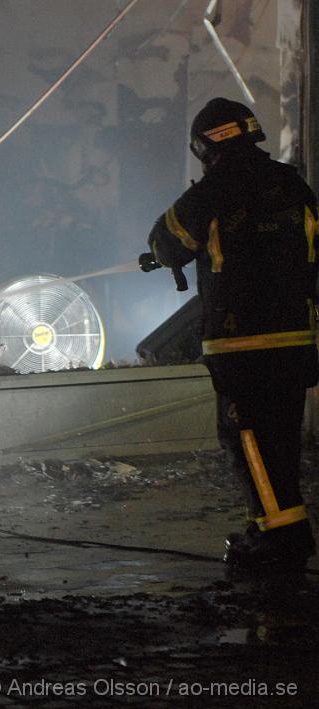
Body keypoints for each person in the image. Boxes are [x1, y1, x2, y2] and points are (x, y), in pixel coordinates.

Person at [146, 97, 319, 569]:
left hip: (240, 342)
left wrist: (162, 252)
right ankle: (268, 527)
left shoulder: (214, 192)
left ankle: (284, 537)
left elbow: (166, 242)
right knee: (280, 437)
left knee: (246, 436)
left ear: (205, 147)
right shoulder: (292, 185)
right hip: (296, 339)